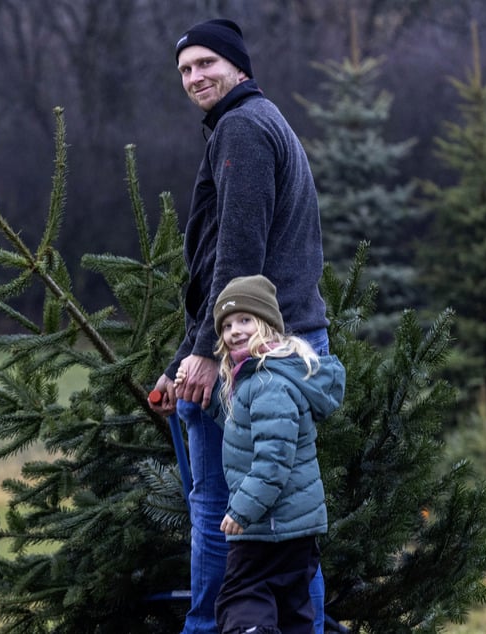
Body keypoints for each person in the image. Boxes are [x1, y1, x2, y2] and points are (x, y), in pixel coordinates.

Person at [148, 18, 331, 634]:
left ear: (238, 67)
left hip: (253, 353)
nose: (195, 77)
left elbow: (238, 259)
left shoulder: (243, 128)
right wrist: (182, 359)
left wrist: (205, 354)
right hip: (273, 342)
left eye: (206, 64)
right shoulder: (256, 122)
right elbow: (216, 267)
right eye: (185, 70)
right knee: (284, 518)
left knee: (220, 510)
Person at [176, 275, 344, 634]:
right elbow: (244, 430)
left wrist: (242, 511)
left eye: (245, 320)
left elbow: (273, 461)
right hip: (295, 530)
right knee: (292, 609)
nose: (235, 330)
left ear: (267, 324)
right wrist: (202, 403)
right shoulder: (260, 377)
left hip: (266, 527)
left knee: (241, 597)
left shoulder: (269, 384)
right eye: (227, 325)